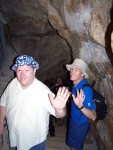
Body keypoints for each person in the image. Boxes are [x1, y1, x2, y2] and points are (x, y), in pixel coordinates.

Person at [0, 55, 71, 150]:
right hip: (16, 137)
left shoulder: (43, 91)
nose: (22, 74)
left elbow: (60, 114)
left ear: (34, 71)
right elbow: (3, 102)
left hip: (34, 143)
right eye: (19, 70)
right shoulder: (13, 83)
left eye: (27, 70)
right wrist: (1, 121)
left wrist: (59, 108)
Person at [66, 58, 96, 150]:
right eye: (72, 69)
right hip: (74, 120)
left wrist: (80, 106)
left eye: (76, 69)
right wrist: (70, 94)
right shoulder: (76, 85)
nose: (72, 72)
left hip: (80, 125)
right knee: (72, 144)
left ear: (82, 74)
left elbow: (93, 116)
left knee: (75, 147)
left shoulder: (85, 89)